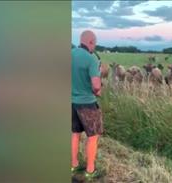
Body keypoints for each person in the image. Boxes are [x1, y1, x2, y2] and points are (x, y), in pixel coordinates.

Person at [71, 30, 102, 181]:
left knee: (75, 134)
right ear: (90, 42)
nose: (94, 47)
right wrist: (98, 91)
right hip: (87, 104)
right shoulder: (91, 59)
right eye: (94, 44)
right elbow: (96, 86)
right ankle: (90, 170)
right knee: (93, 137)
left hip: (72, 102)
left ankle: (74, 164)